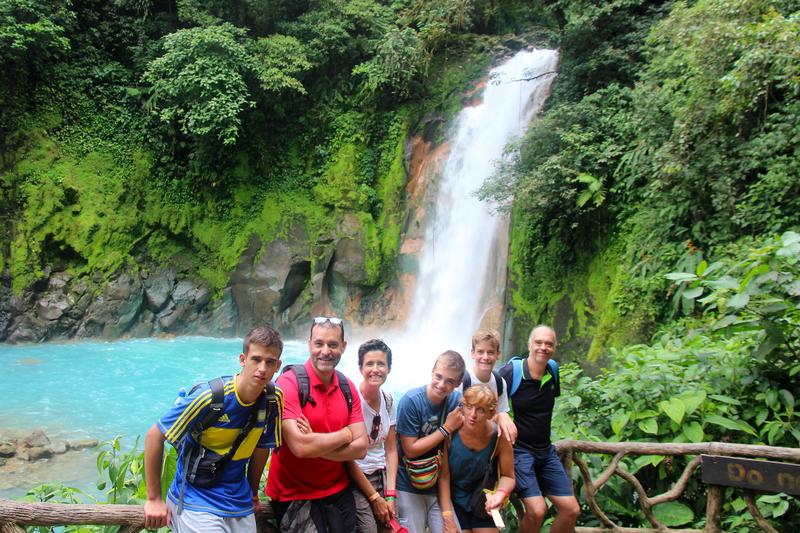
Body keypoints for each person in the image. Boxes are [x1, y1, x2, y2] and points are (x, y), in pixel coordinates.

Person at [143, 325, 284, 532]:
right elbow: (154, 435)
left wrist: (253, 494)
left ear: (278, 365)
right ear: (243, 360)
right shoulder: (210, 398)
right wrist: (154, 499)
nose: (262, 368)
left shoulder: (273, 399)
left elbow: (261, 447)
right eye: (256, 359)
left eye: (269, 362)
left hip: (239, 502)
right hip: (195, 499)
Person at [266, 316, 368, 532]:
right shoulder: (289, 384)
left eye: (332, 345)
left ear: (343, 346)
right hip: (294, 493)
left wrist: (316, 445)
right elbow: (301, 447)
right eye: (319, 343)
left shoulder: (347, 387)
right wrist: (346, 434)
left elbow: (361, 448)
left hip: (337, 489)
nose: (325, 351)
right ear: (309, 344)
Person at [498, 325, 580, 532]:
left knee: (571, 510)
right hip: (519, 452)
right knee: (537, 510)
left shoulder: (553, 370)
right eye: (538, 342)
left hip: (546, 452)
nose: (543, 347)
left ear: (555, 347)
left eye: (548, 344)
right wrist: (501, 414)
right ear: (529, 345)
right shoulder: (511, 372)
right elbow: (487, 400)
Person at [396, 350, 466, 533]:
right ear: (432, 371)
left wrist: (501, 416)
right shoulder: (411, 401)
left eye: (450, 381)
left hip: (437, 485)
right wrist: (446, 428)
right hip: (407, 483)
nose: (442, 385)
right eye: (439, 376)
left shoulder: (456, 403)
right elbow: (410, 449)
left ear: (458, 383)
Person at [438, 384, 515, 533]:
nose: (472, 415)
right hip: (454, 500)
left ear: (490, 413)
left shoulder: (499, 437)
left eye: (480, 410)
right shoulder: (452, 431)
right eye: (469, 406)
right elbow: (444, 477)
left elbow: (508, 476)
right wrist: (447, 516)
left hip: (482, 499)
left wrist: (499, 495)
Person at [345, 339, 399, 533]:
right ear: (360, 368)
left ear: (389, 368)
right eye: (369, 364)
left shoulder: (389, 400)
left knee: (391, 527)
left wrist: (390, 495)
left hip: (383, 476)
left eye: (381, 364)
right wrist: (375, 498)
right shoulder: (351, 400)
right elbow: (347, 457)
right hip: (357, 478)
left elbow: (391, 449)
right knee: (368, 530)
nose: (375, 369)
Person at [459, 330, 517, 444]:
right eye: (480, 352)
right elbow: (453, 416)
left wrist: (502, 416)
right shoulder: (463, 381)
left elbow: (502, 413)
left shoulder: (500, 383)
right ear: (472, 353)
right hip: (462, 440)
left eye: (490, 352)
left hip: (487, 441)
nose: (485, 357)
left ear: (498, 354)